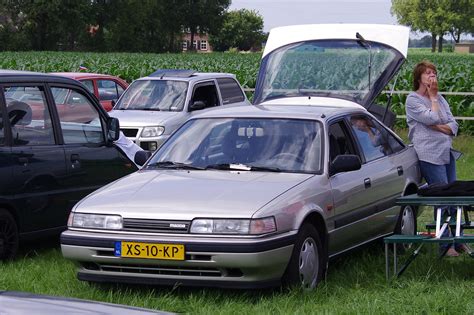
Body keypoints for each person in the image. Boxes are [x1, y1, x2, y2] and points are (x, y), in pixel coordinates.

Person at [405, 60, 466, 256]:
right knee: (442, 197)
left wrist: (438, 126)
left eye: (434, 72)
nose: (432, 76)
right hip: (429, 154)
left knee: (455, 196)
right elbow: (431, 118)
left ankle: (459, 240)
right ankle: (445, 245)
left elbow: (453, 125)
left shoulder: (440, 98)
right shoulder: (412, 100)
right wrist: (432, 98)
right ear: (419, 77)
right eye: (428, 73)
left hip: (446, 151)